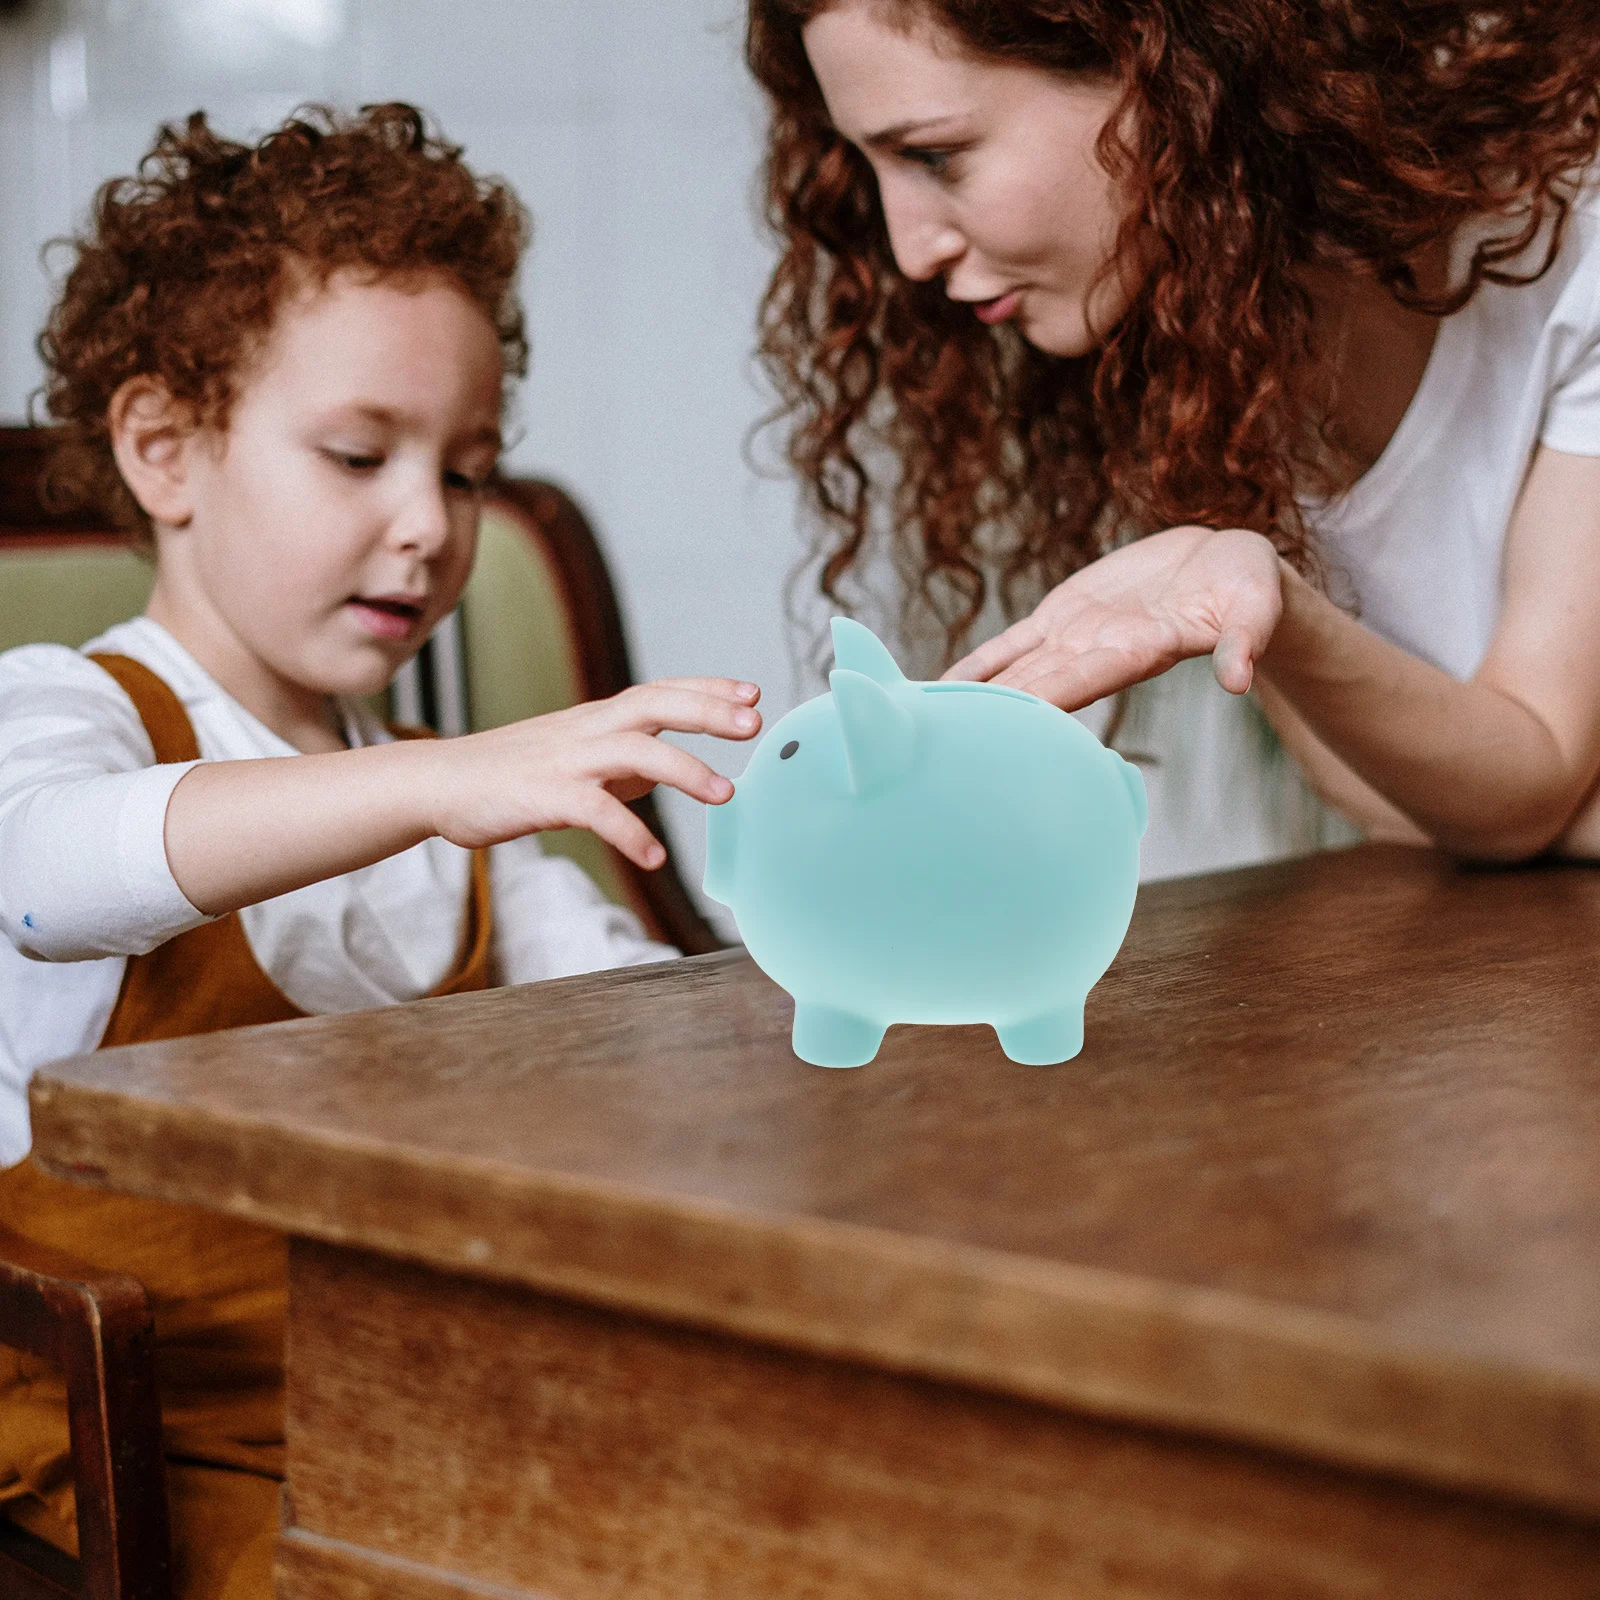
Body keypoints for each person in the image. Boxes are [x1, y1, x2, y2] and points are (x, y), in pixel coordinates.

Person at [0, 104, 759, 1595]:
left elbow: (659, 1029)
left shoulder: (449, 814)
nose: (429, 526)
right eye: (359, 455)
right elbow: (39, 880)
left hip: (404, 1410)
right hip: (130, 1459)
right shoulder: (69, 709)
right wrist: (442, 777)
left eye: (467, 471)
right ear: (165, 448)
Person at [746, 0, 1600, 878]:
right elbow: (1414, 804)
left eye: (934, 156)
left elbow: (1521, 788)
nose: (908, 249)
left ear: (1165, 73)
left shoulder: (1580, 250)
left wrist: (1282, 613)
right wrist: (1265, 608)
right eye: (868, 165)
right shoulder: (1198, 346)